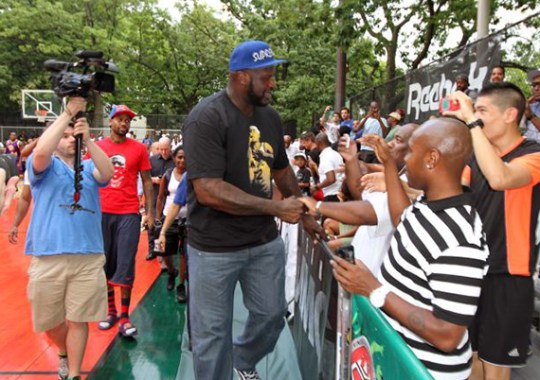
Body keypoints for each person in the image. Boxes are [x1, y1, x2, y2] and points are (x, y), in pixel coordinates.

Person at [183, 39, 323, 380]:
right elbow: (208, 190)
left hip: (261, 242)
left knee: (273, 315)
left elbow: (281, 170)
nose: (273, 83)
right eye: (267, 76)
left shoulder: (270, 118)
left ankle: (243, 360)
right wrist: (276, 207)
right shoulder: (206, 117)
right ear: (242, 77)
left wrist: (304, 212)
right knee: (212, 336)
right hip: (213, 247)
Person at [332, 118, 490, 379]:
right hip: (393, 359)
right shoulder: (430, 204)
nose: (405, 160)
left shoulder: (461, 238)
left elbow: (448, 335)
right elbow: (402, 220)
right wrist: (389, 167)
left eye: (412, 151)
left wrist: (372, 288)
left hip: (423, 370)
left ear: (432, 159)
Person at [446, 83, 540, 380]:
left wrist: (471, 121)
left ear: (511, 114)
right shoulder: (475, 156)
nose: (476, 116)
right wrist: (389, 179)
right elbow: (448, 195)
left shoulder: (533, 154)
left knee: (495, 365)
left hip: (509, 277)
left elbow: (500, 178)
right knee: (470, 359)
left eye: (483, 110)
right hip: (473, 271)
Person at [24, 97, 114, 380]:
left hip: (87, 256)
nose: (68, 140)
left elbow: (108, 173)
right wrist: (67, 115)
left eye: (70, 135)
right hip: (48, 255)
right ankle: (63, 352)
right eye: (62, 136)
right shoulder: (43, 166)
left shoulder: (88, 167)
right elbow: (40, 153)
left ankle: (74, 374)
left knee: (78, 319)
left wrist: (88, 141)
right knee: (48, 322)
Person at [94, 104, 154, 338]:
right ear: (110, 121)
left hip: (128, 212)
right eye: (120, 119)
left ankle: (125, 316)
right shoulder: (97, 148)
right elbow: (89, 176)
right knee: (105, 264)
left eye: (128, 120)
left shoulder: (139, 149)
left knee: (126, 263)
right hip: (102, 213)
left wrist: (150, 213)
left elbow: (147, 181)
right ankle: (110, 311)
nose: (124, 124)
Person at [155, 145, 186, 293]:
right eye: (179, 157)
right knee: (164, 251)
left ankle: (180, 285)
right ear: (174, 158)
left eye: (185, 157)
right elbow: (160, 197)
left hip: (187, 219)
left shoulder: (192, 175)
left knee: (184, 253)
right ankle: (172, 271)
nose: (182, 160)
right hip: (169, 217)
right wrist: (157, 217)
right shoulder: (168, 175)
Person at [146, 136, 175, 261]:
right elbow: (145, 178)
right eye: (161, 149)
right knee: (153, 225)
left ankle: (168, 250)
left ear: (170, 148)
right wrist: (154, 180)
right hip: (154, 196)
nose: (163, 152)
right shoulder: (152, 160)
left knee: (169, 225)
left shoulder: (176, 161)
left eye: (166, 149)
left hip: (169, 199)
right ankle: (153, 249)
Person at [311, 132, 343, 201]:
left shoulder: (325, 157)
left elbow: (331, 178)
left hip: (332, 195)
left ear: (319, 143)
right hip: (339, 192)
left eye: (315, 143)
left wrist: (316, 187)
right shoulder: (336, 154)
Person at [524, 68, 540, 143]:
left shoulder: (531, 112)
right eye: (534, 85)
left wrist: (531, 116)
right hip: (527, 148)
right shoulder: (532, 106)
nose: (536, 88)